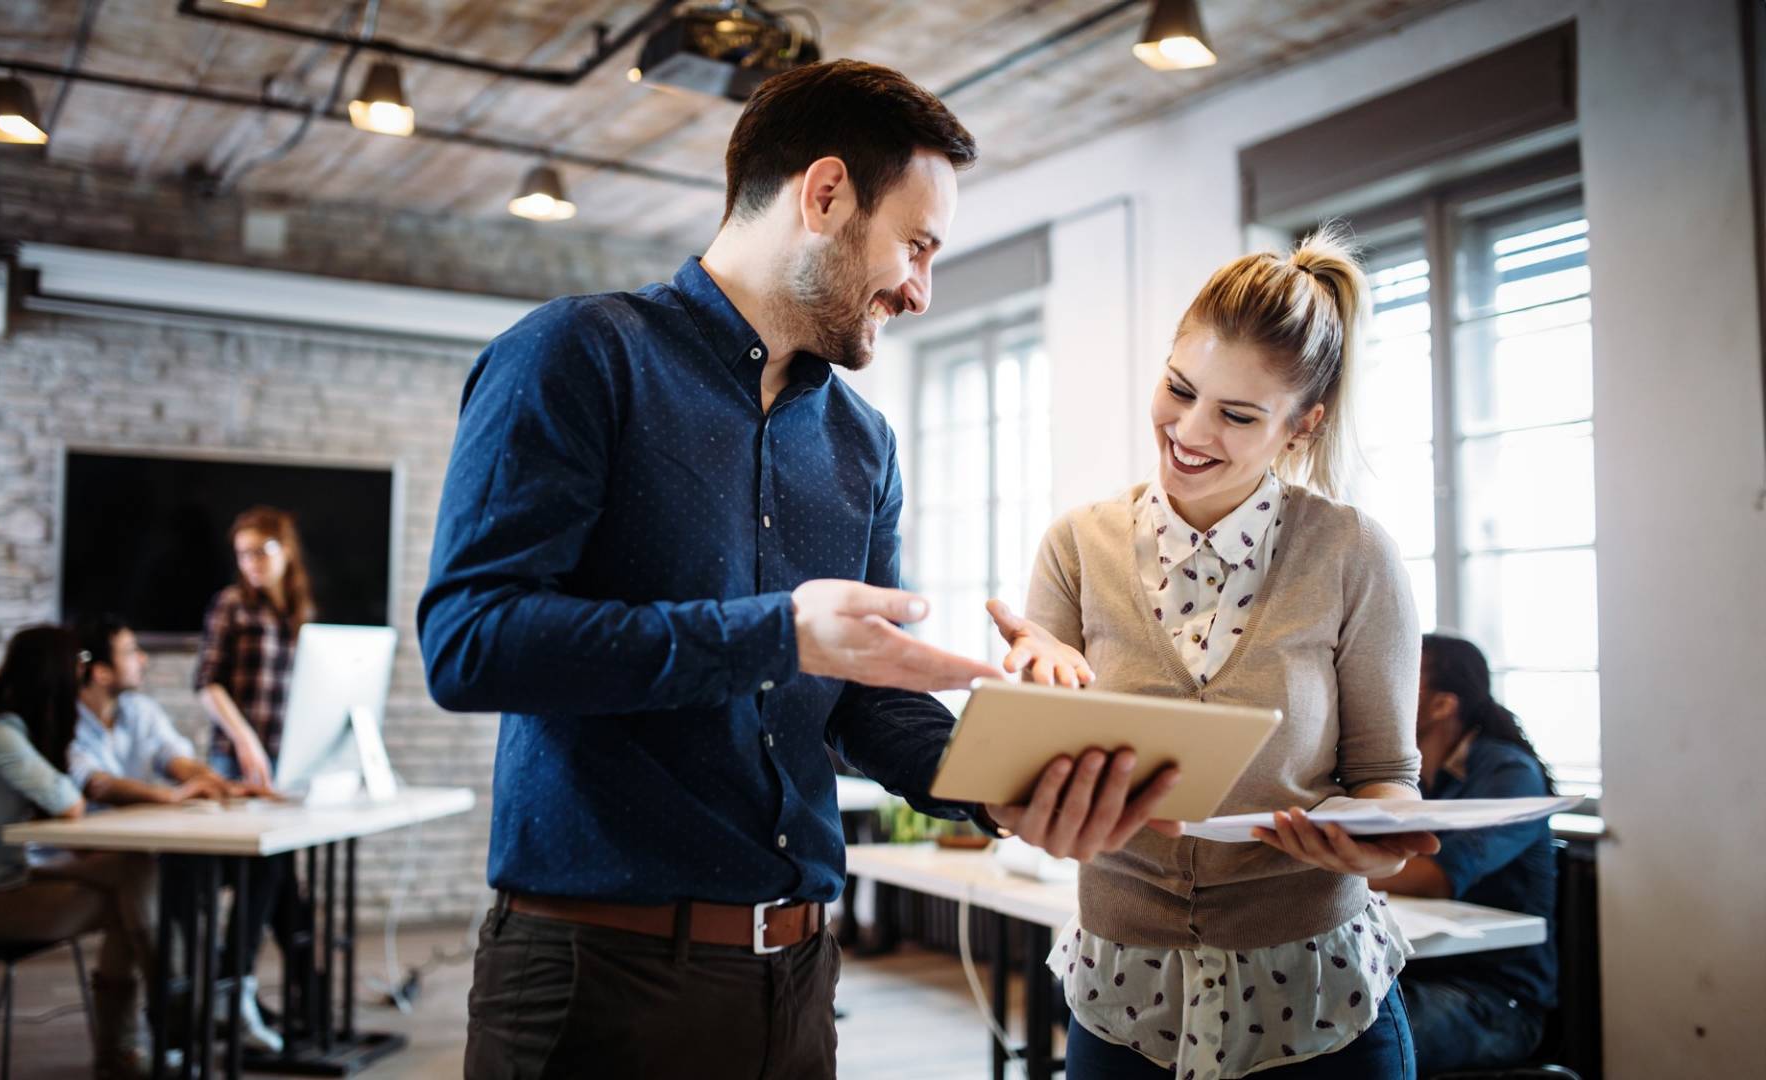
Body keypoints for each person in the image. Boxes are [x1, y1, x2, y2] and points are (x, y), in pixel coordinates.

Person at [418, 59, 1178, 1079]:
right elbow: (470, 644)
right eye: (915, 245)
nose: (920, 289)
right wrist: (778, 634)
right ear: (823, 195)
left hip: (800, 982)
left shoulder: (865, 445)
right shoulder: (578, 356)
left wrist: (1014, 779)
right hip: (595, 981)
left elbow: (866, 707)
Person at [991, 226, 1442, 1078]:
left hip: (1314, 997)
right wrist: (1028, 710)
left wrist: (1374, 840)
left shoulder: (1353, 554)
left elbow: (1389, 776)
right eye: (1179, 389)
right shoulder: (1077, 547)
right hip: (1128, 994)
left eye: (1237, 415)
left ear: (1301, 427)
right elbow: (1038, 791)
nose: (1190, 432)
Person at [0, 625, 159, 1078]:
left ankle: (152, 1026)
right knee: (128, 897)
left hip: (11, 880)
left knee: (135, 869)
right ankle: (152, 1027)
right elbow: (70, 805)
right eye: (78, 666)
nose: (83, 676)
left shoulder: (14, 733)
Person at [1370, 633, 1558, 1072]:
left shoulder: (1508, 772)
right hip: (1412, 976)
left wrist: (1326, 865)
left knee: (1352, 1040)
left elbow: (1439, 876)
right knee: (1305, 1021)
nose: (1380, 688)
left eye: (1401, 678)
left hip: (1494, 998)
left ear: (1442, 705)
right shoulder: (1401, 778)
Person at [193, 506, 314, 1054]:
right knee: (264, 875)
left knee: (281, 882)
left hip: (283, 766)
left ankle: (292, 999)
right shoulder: (231, 604)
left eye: (261, 551)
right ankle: (248, 990)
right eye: (243, 553)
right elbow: (207, 684)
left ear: (285, 550)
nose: (252, 563)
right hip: (236, 764)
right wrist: (243, 739)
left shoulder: (299, 610)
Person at [71, 612, 241, 806]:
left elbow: (172, 756)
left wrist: (218, 784)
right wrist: (171, 796)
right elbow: (96, 784)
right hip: (86, 835)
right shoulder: (65, 721)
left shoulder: (140, 709)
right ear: (102, 673)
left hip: (134, 831)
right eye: (130, 651)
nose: (143, 659)